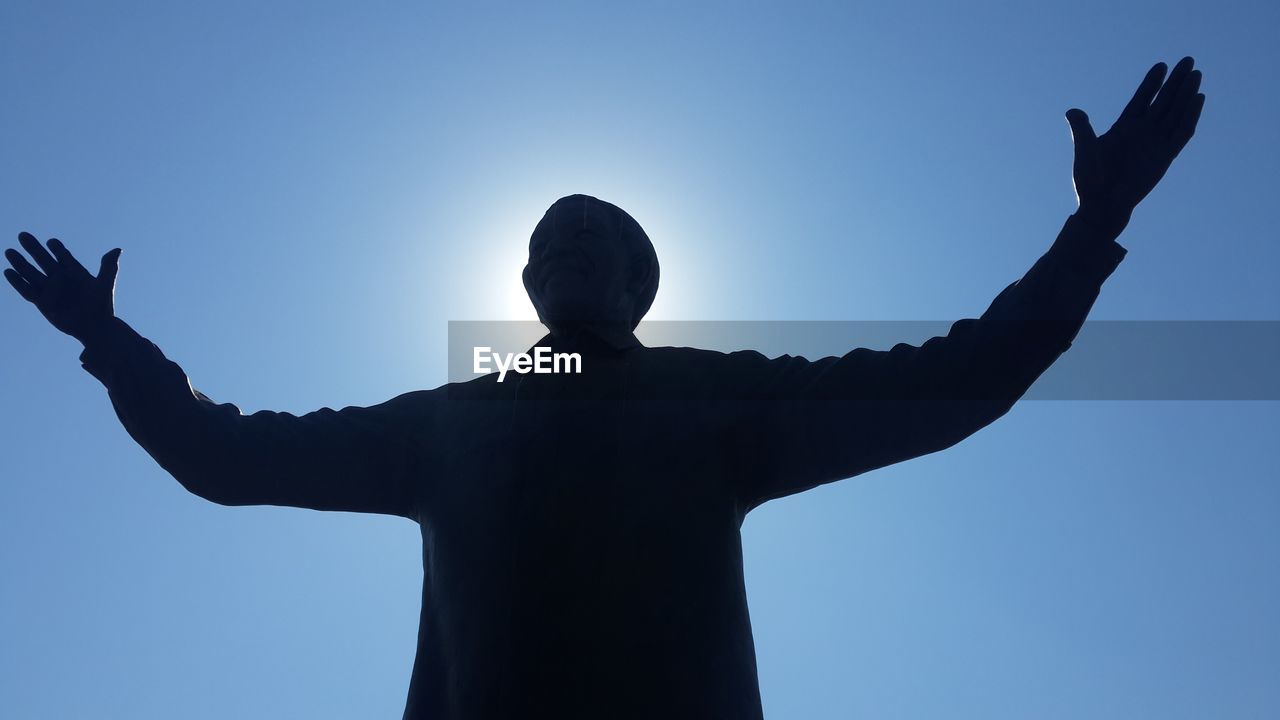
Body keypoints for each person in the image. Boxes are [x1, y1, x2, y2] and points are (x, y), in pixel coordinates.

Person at [5, 58, 1205, 719]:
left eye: (599, 243)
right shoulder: (444, 428)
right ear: (524, 283)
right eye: (551, 243)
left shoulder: (717, 402)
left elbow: (961, 380)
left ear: (642, 284)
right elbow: (227, 457)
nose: (571, 251)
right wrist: (111, 345)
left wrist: (1091, 224)